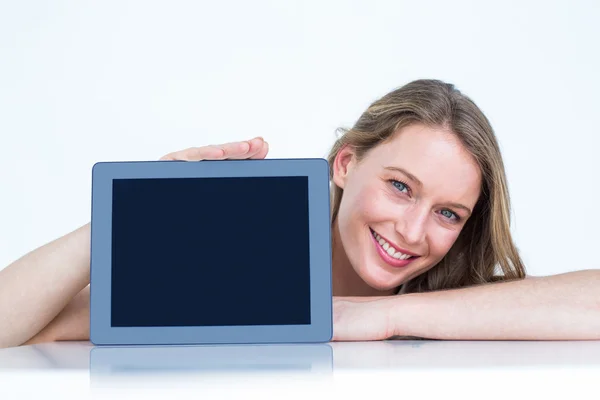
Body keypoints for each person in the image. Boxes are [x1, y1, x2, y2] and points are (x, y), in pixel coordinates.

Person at [0, 79, 598, 349]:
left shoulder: (451, 304)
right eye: (398, 186)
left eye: (448, 212)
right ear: (343, 165)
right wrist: (129, 219)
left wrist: (384, 319)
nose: (413, 232)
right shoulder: (236, 279)